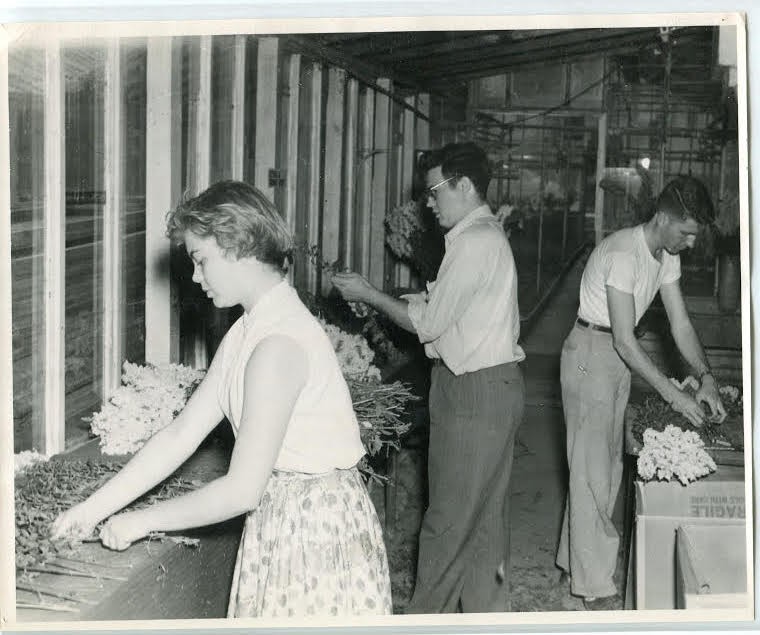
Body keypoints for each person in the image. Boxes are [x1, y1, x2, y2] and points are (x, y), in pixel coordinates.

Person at [52, 180, 392, 618]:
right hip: (285, 521)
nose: (195, 277)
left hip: (314, 536)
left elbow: (241, 491)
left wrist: (142, 520)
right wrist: (90, 510)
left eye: (201, 260)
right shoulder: (249, 330)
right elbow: (180, 433)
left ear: (237, 246)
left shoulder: (278, 344)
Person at [332, 142, 525, 613]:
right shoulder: (478, 237)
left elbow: (429, 324)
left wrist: (372, 295)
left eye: (435, 191)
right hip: (494, 386)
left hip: (474, 393)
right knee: (482, 524)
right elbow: (445, 308)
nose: (428, 202)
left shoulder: (476, 241)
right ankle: (486, 617)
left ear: (465, 186)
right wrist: (383, 297)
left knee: (447, 523)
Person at [556, 175, 727, 611]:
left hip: (613, 355)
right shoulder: (622, 254)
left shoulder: (664, 255)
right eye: (686, 232)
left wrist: (704, 376)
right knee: (593, 469)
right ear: (665, 217)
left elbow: (681, 323)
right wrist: (675, 395)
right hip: (592, 352)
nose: (690, 242)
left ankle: (571, 561)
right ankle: (592, 585)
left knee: (602, 466)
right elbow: (625, 343)